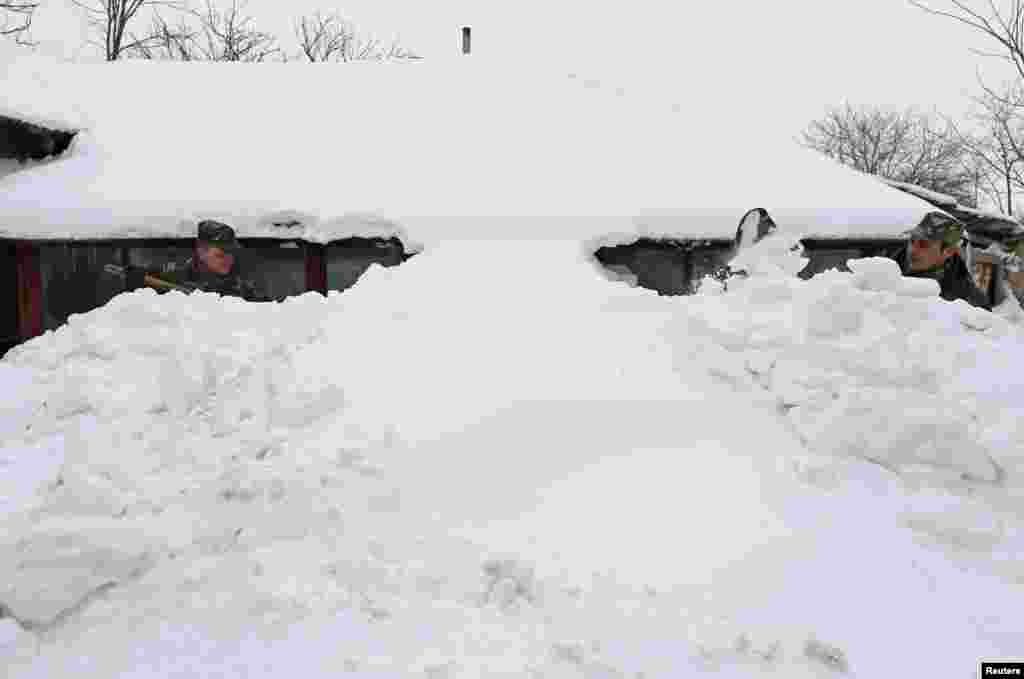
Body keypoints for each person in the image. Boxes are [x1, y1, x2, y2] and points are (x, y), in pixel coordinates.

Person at [126, 220, 270, 302]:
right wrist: (137, 277)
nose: (229, 259)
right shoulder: (174, 277)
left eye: (232, 253)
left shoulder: (244, 288)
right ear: (201, 251)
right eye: (221, 255)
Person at [884, 213, 990, 310]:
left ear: (948, 251)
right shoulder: (884, 269)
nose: (912, 249)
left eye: (923, 244)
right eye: (912, 240)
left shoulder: (966, 299)